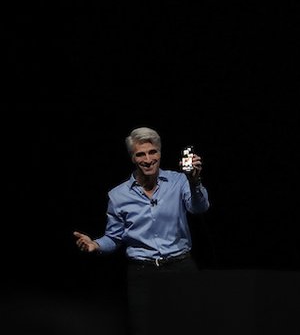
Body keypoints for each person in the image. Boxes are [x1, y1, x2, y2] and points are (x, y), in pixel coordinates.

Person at [72, 127, 210, 333]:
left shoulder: (179, 180)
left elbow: (199, 208)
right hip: (143, 274)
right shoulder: (118, 196)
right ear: (133, 158)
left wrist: (195, 181)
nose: (148, 159)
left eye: (153, 152)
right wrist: (96, 245)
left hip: (181, 267)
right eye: (140, 154)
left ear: (160, 153)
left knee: (190, 326)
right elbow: (114, 237)